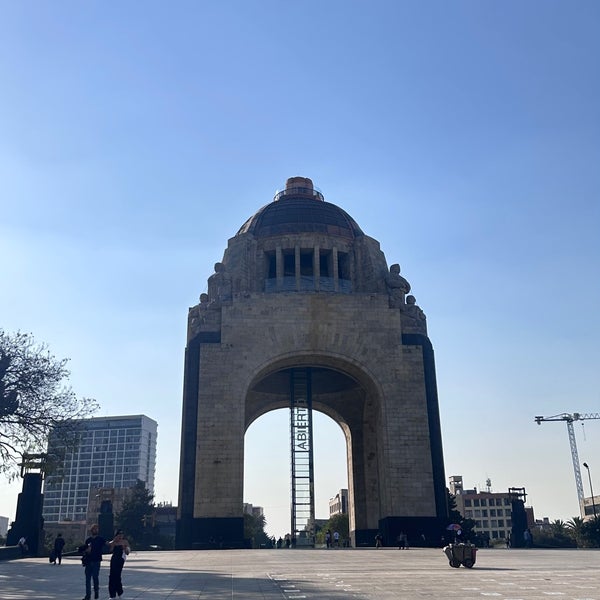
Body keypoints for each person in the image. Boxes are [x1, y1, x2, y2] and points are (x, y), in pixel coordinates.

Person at [80, 524, 107, 600]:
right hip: (88, 561)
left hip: (96, 561)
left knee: (95, 577)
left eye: (97, 529)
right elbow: (85, 550)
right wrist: (86, 550)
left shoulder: (100, 539)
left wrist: (115, 542)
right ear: (91, 530)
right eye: (94, 529)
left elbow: (107, 544)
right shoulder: (88, 540)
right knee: (87, 579)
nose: (95, 530)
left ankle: (96, 592)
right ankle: (88, 595)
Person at [107, 529, 130, 599]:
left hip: (120, 560)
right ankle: (112, 594)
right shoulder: (113, 542)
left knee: (117, 576)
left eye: (121, 535)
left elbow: (128, 552)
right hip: (114, 559)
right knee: (112, 576)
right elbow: (110, 550)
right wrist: (113, 543)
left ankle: (120, 592)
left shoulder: (125, 542)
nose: (120, 536)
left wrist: (125, 548)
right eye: (119, 535)